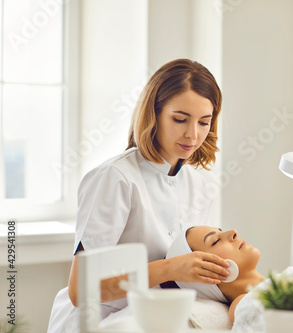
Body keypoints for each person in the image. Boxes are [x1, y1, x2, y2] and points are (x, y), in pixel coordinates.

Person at [48, 59, 232, 332]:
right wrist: (171, 268)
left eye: (204, 122)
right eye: (180, 119)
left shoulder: (199, 185)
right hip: (98, 322)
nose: (193, 134)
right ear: (153, 113)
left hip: (155, 320)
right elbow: (80, 291)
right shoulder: (115, 178)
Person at [166, 225, 266, 323]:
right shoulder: (244, 306)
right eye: (215, 241)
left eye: (221, 231)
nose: (233, 232)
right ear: (207, 274)